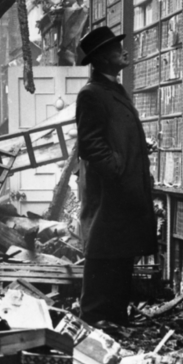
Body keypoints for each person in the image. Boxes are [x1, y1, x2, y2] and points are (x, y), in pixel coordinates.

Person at [75, 26, 157, 327]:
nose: (123, 51)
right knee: (102, 253)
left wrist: (134, 147)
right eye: (114, 48)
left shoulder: (113, 89)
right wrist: (117, 168)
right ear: (99, 59)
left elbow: (113, 134)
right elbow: (91, 144)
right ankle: (94, 319)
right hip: (110, 191)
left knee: (120, 253)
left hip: (123, 189)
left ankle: (116, 319)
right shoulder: (91, 93)